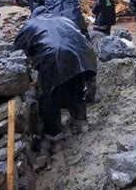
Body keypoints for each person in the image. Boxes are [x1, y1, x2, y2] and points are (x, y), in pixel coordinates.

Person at [14, 7, 97, 140]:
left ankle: (54, 134)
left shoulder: (30, 24)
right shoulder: (64, 19)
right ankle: (81, 122)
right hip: (82, 54)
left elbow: (17, 49)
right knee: (76, 88)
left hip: (52, 56)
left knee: (50, 95)